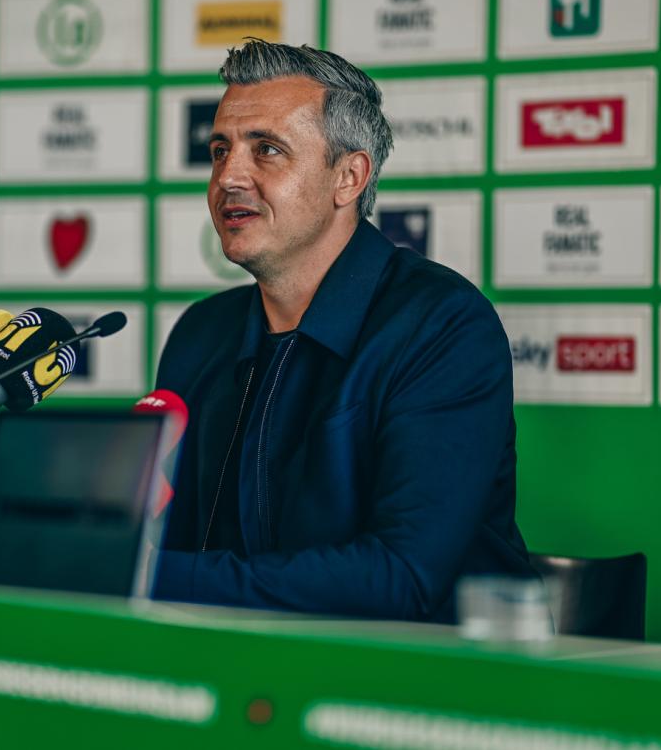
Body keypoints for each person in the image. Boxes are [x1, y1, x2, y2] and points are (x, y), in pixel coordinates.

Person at [152, 41, 534, 621]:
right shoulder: (202, 333)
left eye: (268, 151)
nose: (229, 176)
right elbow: (173, 537)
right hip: (241, 674)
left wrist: (137, 575)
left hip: (420, 688)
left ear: (349, 177)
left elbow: (401, 578)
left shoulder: (443, 325)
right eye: (220, 150)